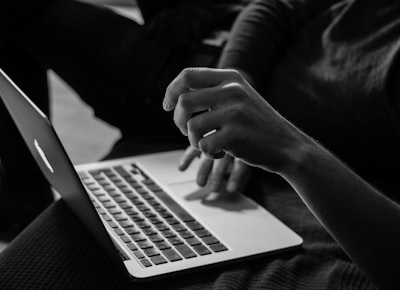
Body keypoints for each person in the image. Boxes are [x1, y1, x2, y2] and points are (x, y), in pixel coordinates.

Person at [0, 0, 399, 288]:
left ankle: (19, 208)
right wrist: (235, 77)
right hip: (213, 29)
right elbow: (273, 7)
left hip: (168, 82)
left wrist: (290, 147)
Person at [0, 0, 248, 232]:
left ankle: (24, 201)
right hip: (208, 24)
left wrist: (235, 99)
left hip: (194, 61)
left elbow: (271, 11)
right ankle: (24, 199)